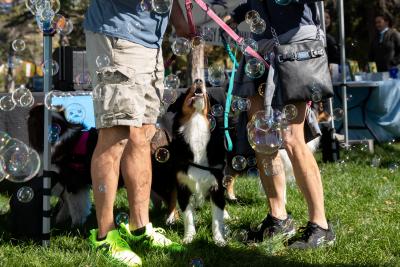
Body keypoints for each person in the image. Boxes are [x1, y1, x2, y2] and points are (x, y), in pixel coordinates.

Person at [83, 1, 189, 266]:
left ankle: (139, 228)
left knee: (142, 135)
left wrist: (181, 24)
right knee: (115, 134)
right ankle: (105, 235)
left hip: (150, 43)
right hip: (118, 34)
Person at [226, 0, 335, 249]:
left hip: (295, 48)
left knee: (291, 137)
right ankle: (278, 218)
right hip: (258, 48)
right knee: (262, 136)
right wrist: (236, 15)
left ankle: (320, 226)